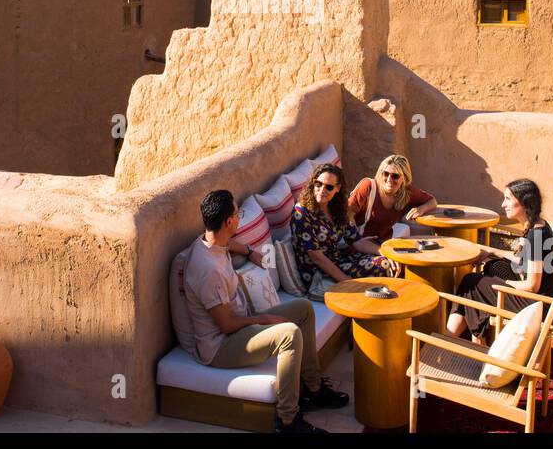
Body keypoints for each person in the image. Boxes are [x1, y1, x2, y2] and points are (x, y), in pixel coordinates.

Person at [183, 189, 348, 433]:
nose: (239, 218)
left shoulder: (210, 241)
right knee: (288, 334)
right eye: (237, 215)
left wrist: (250, 252)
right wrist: (266, 319)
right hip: (220, 345)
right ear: (228, 222)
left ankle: (313, 391)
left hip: (241, 326)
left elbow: (227, 243)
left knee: (303, 309)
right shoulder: (209, 271)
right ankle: (287, 421)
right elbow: (226, 325)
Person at [446, 178, 553, 342]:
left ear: (524, 202)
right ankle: (475, 335)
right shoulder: (537, 225)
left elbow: (532, 286)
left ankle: (454, 339)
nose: (503, 204)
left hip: (538, 306)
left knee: (472, 283)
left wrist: (502, 283)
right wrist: (492, 251)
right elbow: (525, 260)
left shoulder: (537, 236)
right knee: (493, 266)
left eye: (508, 198)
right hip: (543, 299)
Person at [291, 162, 398, 292]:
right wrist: (346, 281)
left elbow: (356, 240)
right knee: (384, 265)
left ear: (338, 188)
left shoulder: (335, 208)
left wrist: (386, 253)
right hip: (320, 273)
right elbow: (317, 257)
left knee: (393, 259)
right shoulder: (301, 213)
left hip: (340, 260)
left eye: (329, 187)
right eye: (318, 184)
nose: (322, 190)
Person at [348, 154, 439, 253]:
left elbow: (432, 201)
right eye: (386, 174)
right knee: (389, 265)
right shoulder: (368, 187)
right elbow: (348, 213)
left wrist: (421, 209)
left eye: (395, 176)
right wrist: (355, 238)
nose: (389, 180)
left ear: (404, 178)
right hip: (360, 246)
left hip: (384, 246)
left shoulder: (407, 193)